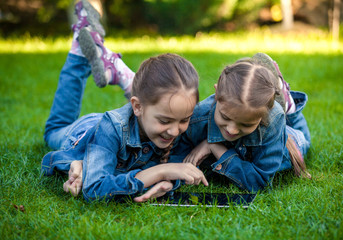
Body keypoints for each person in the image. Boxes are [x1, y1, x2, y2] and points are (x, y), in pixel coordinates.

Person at [41, 0, 207, 203]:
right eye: (164, 121)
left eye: (184, 120)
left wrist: (170, 181)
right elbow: (94, 189)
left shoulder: (179, 120)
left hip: (124, 123)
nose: (174, 131)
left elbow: (223, 108)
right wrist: (161, 172)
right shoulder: (111, 129)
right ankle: (78, 47)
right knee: (53, 130)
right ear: (137, 106)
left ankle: (123, 74)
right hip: (86, 132)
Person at [182, 53, 311, 193]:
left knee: (303, 141)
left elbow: (260, 183)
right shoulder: (197, 117)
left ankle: (289, 107)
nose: (231, 130)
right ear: (217, 92)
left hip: (282, 139)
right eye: (225, 117)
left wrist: (215, 147)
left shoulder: (273, 120)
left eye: (246, 124)